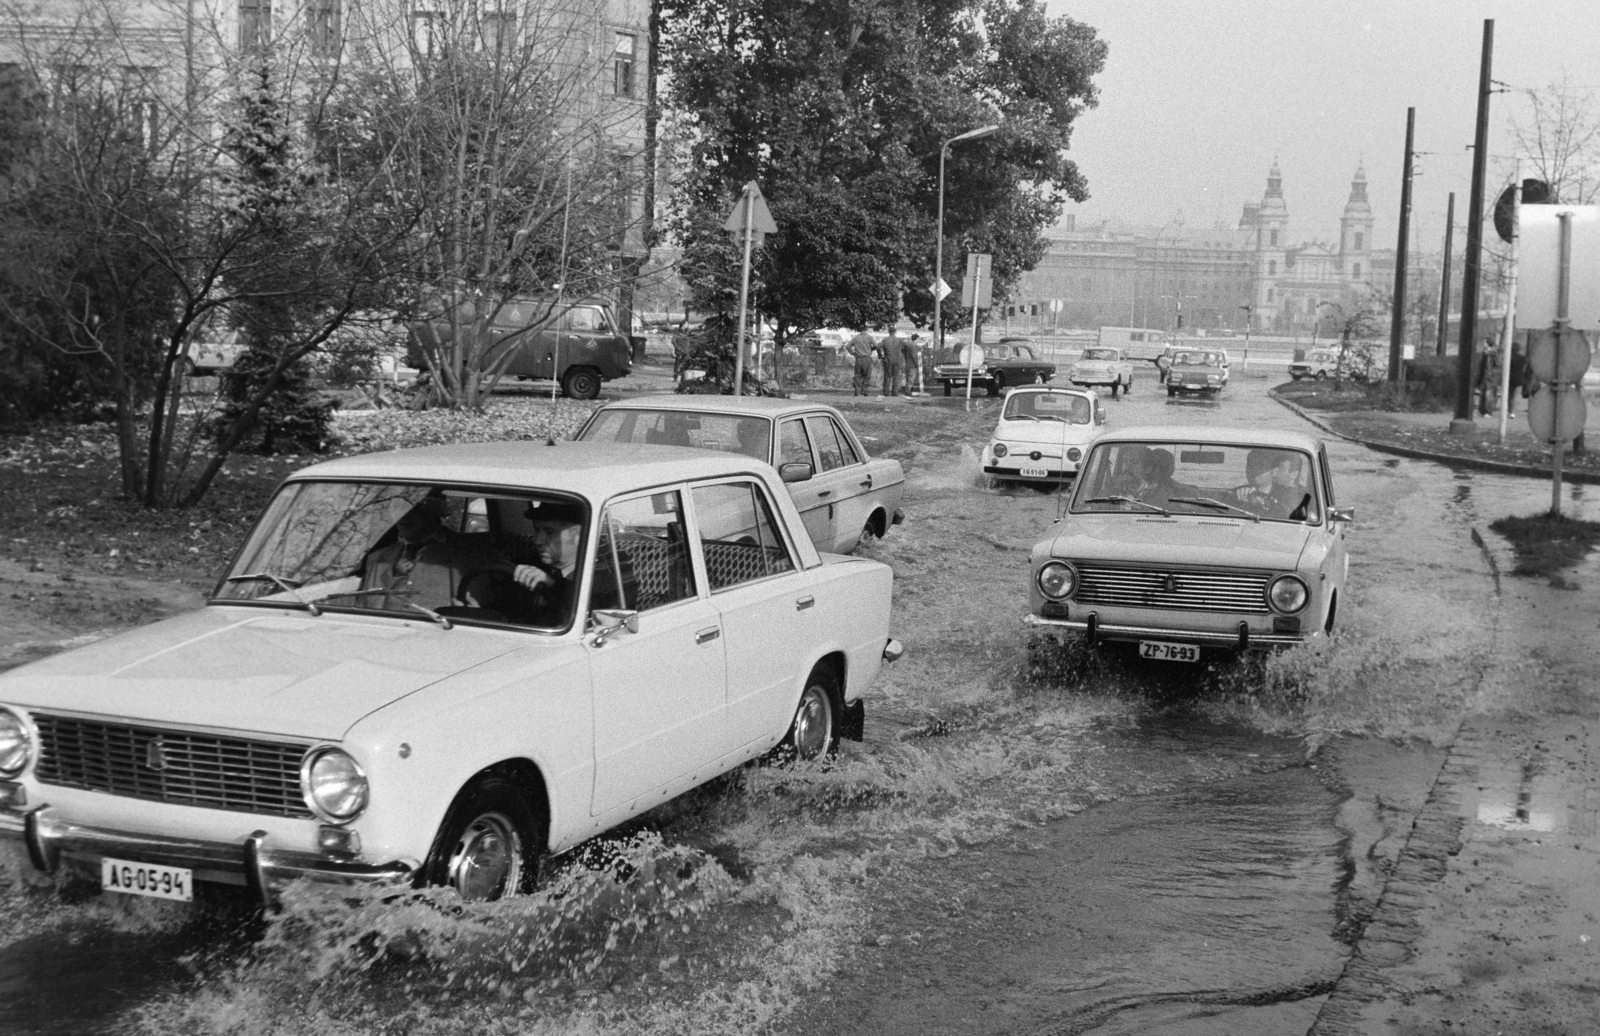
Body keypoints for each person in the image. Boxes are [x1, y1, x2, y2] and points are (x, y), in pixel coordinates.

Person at [361, 496, 559, 617]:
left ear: (433, 511)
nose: (401, 517)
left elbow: (507, 596)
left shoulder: (473, 550)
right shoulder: (379, 558)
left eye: (410, 510)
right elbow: (361, 609)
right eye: (395, 509)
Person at [848, 330, 875, 396]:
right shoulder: (869, 337)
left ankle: (857, 388)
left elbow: (848, 346)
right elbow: (876, 345)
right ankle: (864, 389)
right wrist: (871, 349)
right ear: (866, 329)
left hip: (858, 358)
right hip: (867, 358)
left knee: (857, 374)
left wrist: (853, 353)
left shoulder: (856, 338)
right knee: (867, 375)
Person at [879, 332, 904, 397]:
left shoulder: (885, 339)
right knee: (896, 377)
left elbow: (878, 346)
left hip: (888, 360)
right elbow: (905, 347)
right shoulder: (899, 340)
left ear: (889, 332)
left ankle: (886, 393)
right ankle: (895, 393)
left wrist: (880, 355)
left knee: (887, 377)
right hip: (897, 360)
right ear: (895, 332)